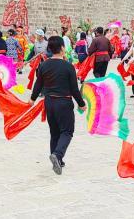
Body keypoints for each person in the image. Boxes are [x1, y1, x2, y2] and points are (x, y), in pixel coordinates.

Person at [30, 36, 86, 175]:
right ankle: (58, 155)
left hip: (49, 102)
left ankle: (57, 160)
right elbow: (74, 89)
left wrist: (32, 99)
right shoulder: (68, 67)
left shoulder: (44, 65)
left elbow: (38, 84)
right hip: (64, 103)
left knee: (54, 132)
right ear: (62, 48)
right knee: (67, 132)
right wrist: (81, 103)